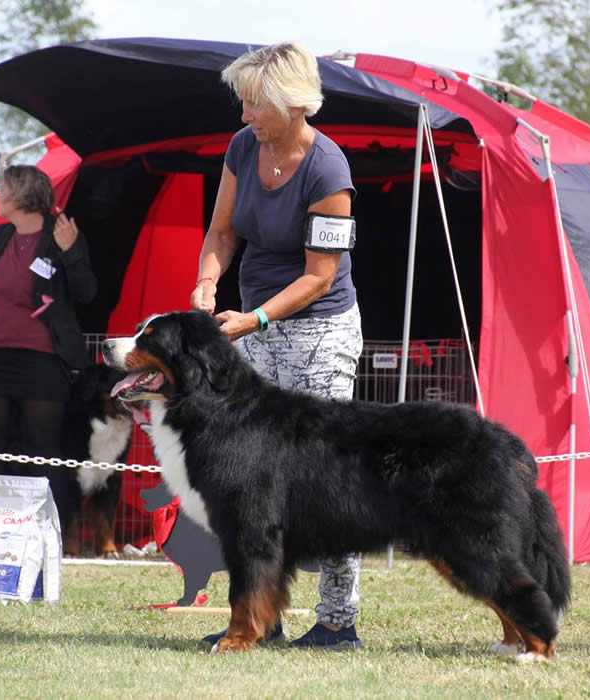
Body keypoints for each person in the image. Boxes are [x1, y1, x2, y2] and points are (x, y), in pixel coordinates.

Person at [191, 41, 364, 650]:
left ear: (291, 104)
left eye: (253, 105)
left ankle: (338, 621)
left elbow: (319, 277)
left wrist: (255, 320)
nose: (243, 118)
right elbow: (220, 231)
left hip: (318, 329)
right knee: (251, 478)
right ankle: (261, 615)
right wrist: (209, 280)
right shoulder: (243, 149)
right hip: (251, 326)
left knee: (327, 477)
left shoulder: (329, 172)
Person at [0, 164, 97, 529]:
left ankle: (45, 530)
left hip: (42, 359)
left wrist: (71, 252)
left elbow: (87, 292)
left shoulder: (62, 235)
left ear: (22, 194)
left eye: (2, 187)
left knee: (40, 448)